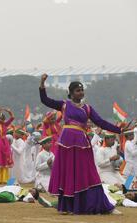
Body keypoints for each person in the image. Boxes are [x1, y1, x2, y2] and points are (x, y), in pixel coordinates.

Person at [39, 74, 124, 215]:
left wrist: (119, 129)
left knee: (87, 173)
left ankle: (101, 205)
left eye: (82, 90)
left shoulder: (87, 108)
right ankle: (67, 206)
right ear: (71, 93)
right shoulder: (64, 105)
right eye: (78, 90)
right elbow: (45, 100)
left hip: (82, 145)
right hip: (66, 144)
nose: (81, 92)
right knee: (68, 173)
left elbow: (101, 122)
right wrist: (42, 84)